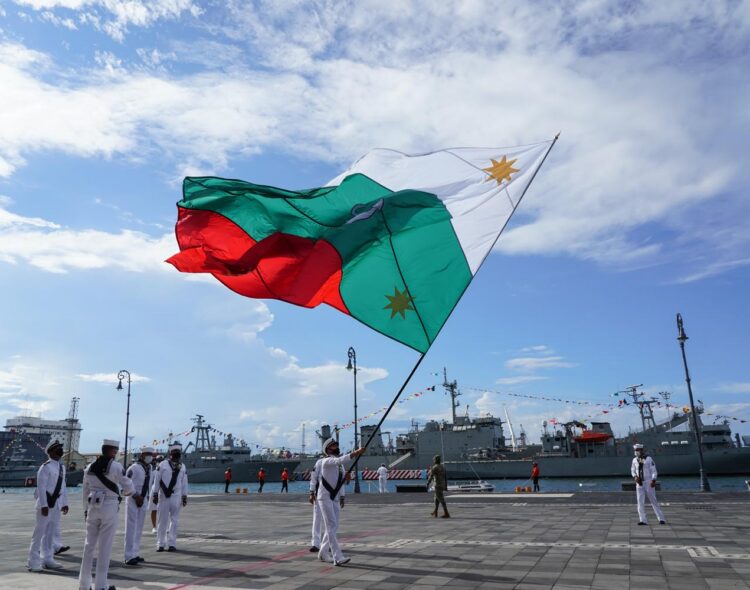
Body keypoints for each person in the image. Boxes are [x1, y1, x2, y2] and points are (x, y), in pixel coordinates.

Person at [78, 439, 135, 590]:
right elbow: (128, 486)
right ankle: (101, 585)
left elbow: (85, 491)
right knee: (105, 547)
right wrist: (128, 492)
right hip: (109, 506)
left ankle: (83, 584)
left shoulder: (89, 467)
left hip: (92, 506)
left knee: (88, 546)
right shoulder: (116, 466)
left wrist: (85, 509)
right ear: (113, 451)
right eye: (115, 451)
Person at [311, 438, 364, 566]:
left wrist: (342, 496)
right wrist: (356, 452)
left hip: (334, 497)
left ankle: (323, 552)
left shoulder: (339, 466)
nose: (336, 447)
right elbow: (339, 459)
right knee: (331, 525)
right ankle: (338, 557)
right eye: (333, 445)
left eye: (336, 445)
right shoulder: (327, 461)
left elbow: (341, 482)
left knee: (334, 526)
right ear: (328, 449)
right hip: (324, 497)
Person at [27, 439, 69, 572]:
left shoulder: (61, 467)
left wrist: (65, 503)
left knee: (50, 534)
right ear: (50, 452)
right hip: (45, 505)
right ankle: (33, 562)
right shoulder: (45, 467)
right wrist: (44, 505)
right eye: (57, 448)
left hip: (56, 504)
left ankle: (48, 559)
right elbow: (41, 487)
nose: (60, 451)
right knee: (39, 533)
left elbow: (63, 487)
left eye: (60, 448)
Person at [153, 442, 188, 552]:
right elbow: (157, 480)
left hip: (176, 497)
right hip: (164, 496)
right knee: (162, 521)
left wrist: (184, 496)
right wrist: (155, 493)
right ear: (170, 454)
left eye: (178, 453)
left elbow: (184, 482)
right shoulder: (162, 464)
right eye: (174, 453)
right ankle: (160, 543)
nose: (176, 455)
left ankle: (172, 543)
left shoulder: (182, 466)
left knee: (175, 521)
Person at [124, 447, 155, 565]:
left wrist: (146, 497)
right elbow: (125, 484)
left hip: (143, 500)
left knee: (139, 528)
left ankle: (135, 553)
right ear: (142, 455)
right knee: (131, 527)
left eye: (151, 454)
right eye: (148, 454)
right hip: (133, 499)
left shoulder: (150, 468)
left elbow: (149, 484)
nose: (150, 457)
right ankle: (128, 555)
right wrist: (136, 496)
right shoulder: (134, 468)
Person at [631, 443, 666, 525]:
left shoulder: (648, 459)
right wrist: (635, 477)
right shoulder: (634, 460)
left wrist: (653, 480)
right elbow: (632, 470)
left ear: (641, 450)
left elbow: (653, 470)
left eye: (637, 450)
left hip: (648, 482)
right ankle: (643, 520)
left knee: (653, 500)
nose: (636, 452)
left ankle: (661, 518)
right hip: (639, 483)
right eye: (635, 450)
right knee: (640, 502)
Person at [149, 454, 164, 534]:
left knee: (164, 510)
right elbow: (149, 483)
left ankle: (163, 526)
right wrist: (148, 495)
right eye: (158, 461)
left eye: (161, 461)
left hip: (163, 492)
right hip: (154, 491)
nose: (159, 462)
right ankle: (154, 527)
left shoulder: (166, 471)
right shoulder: (153, 472)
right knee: (154, 509)